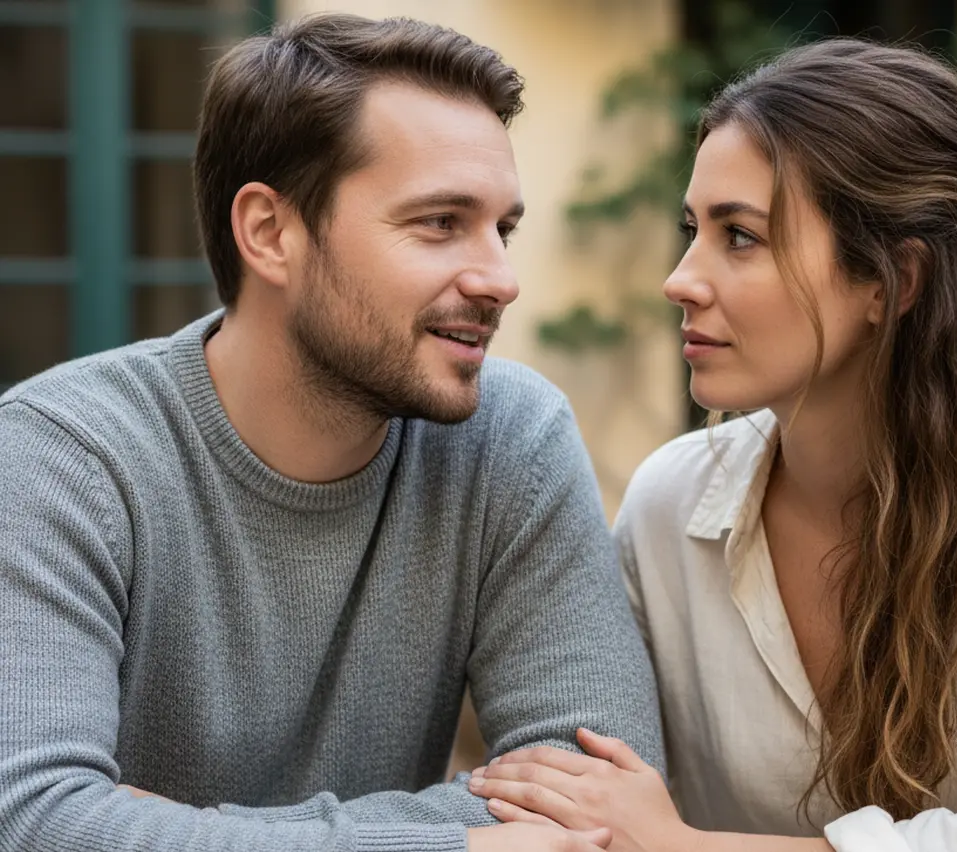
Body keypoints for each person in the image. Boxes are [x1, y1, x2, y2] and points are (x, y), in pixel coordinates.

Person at [466, 38, 957, 851]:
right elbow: (592, 793)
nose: (680, 279)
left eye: (741, 237)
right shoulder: (672, 507)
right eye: (693, 228)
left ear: (893, 281)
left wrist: (685, 847)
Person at [0, 13, 662, 852]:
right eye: (439, 222)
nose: (500, 277)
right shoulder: (59, 457)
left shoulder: (512, 437)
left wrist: (165, 830)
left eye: (504, 228)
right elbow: (29, 822)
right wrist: (454, 844)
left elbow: (605, 797)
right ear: (271, 233)